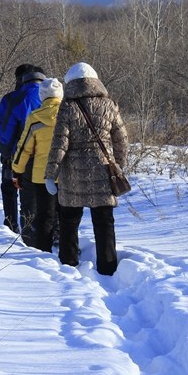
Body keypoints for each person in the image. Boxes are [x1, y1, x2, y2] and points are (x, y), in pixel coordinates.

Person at [44, 62, 128, 276]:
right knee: (104, 221)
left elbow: (59, 144)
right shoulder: (109, 104)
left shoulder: (68, 107)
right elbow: (121, 139)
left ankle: (69, 264)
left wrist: (50, 175)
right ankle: (108, 267)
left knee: (69, 220)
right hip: (102, 171)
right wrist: (118, 164)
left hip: (72, 174)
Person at [11, 77, 63, 252]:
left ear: (42, 96)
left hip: (42, 175)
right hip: (67, 173)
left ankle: (44, 252)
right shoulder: (69, 114)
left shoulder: (35, 117)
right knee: (67, 215)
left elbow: (24, 147)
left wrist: (17, 171)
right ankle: (68, 251)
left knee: (44, 216)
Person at [0, 64, 46, 234]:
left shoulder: (13, 99)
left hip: (18, 154)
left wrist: (6, 153)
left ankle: (12, 226)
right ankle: (52, 233)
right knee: (47, 194)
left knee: (11, 189)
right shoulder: (53, 96)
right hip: (47, 154)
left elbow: (4, 129)